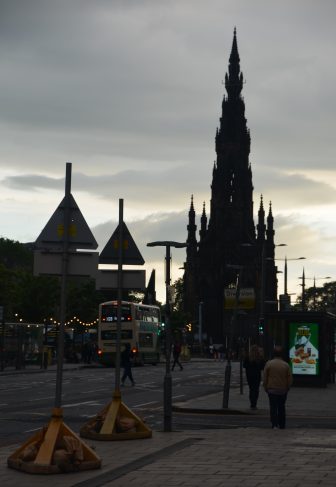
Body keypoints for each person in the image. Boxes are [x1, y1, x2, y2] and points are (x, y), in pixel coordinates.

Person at [263, 345, 293, 429]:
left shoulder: (269, 364)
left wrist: (265, 387)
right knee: (281, 407)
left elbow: (265, 377)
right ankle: (282, 424)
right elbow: (289, 378)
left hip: (272, 389)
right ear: (282, 354)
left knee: (273, 407)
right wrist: (288, 387)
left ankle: (274, 424)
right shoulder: (286, 365)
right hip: (282, 390)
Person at [243, 345, 265, 410]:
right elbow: (262, 367)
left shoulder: (248, 357)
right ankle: (254, 403)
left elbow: (244, 366)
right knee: (256, 389)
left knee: (251, 389)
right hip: (257, 376)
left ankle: (252, 403)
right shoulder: (259, 358)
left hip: (249, 376)